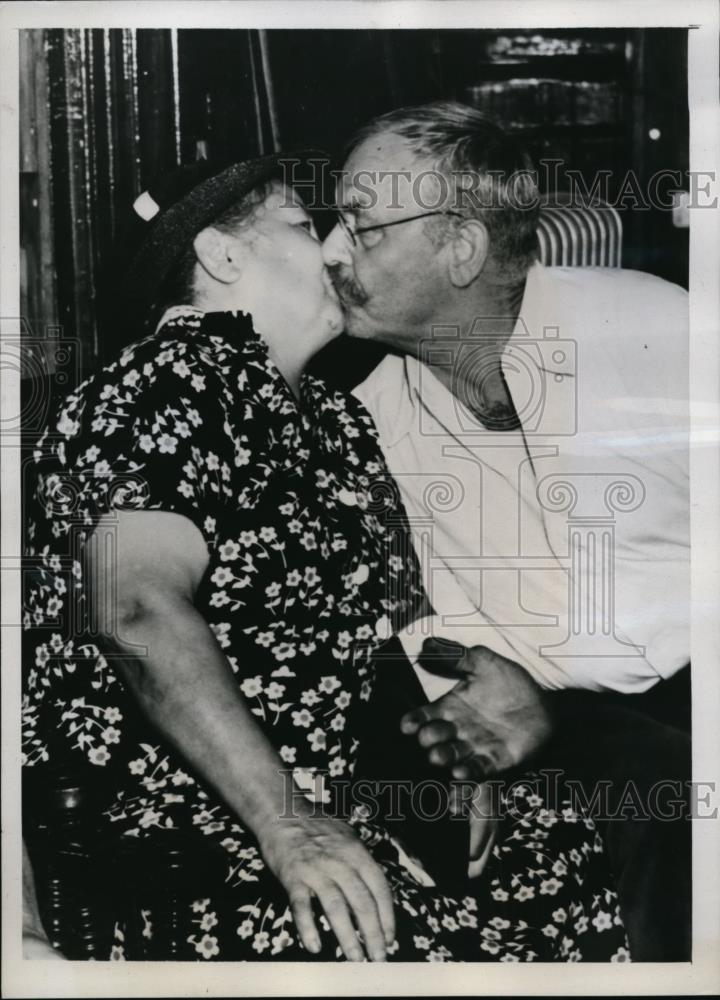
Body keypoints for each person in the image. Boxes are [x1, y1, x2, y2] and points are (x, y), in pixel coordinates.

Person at [21, 153, 629, 962]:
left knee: (575, 852)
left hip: (348, 800)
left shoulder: (336, 420)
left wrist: (455, 763)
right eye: (307, 226)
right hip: (190, 826)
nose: (342, 247)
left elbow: (395, 635)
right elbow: (132, 611)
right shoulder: (161, 387)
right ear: (222, 256)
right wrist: (288, 820)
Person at [321, 101, 691, 961]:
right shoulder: (362, 417)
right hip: (549, 731)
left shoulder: (655, 330)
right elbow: (406, 635)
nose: (332, 253)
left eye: (363, 228)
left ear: (463, 247)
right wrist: (460, 755)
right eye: (333, 223)